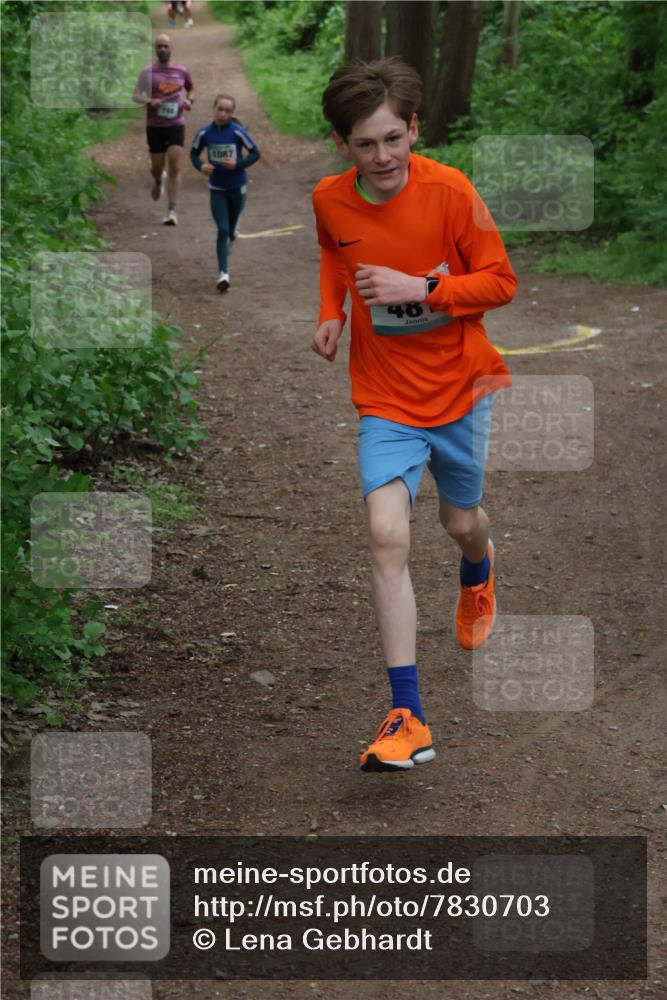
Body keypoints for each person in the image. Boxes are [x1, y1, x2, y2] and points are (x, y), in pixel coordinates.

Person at [311, 58, 517, 773]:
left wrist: (421, 287)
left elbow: (500, 282)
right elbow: (336, 257)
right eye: (365, 144)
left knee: (461, 523)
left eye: (393, 139)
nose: (382, 157)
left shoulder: (451, 191)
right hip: (385, 398)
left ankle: (478, 567)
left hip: (458, 388)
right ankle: (406, 715)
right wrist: (330, 313)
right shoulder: (329, 200)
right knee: (383, 536)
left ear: (414, 130)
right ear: (342, 145)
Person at [190, 94, 260, 292]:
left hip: (238, 187)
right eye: (220, 109)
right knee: (222, 230)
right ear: (214, 108)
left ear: (232, 113)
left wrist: (238, 164)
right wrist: (201, 165)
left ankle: (233, 231)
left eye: (227, 111)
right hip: (217, 188)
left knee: (230, 231)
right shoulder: (204, 133)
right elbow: (193, 154)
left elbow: (256, 153)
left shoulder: (237, 132)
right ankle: (223, 274)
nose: (222, 114)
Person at [133, 34, 194, 225]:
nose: (162, 50)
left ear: (171, 47)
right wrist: (150, 101)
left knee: (175, 164)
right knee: (157, 167)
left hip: (176, 124)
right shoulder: (147, 73)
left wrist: (189, 100)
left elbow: (191, 88)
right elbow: (135, 95)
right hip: (155, 126)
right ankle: (159, 180)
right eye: (159, 47)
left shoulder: (181, 71)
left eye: (165, 46)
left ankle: (172, 210)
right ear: (155, 49)